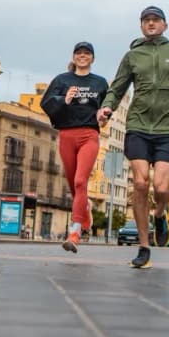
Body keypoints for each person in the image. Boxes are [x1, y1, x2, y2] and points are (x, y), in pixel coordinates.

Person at [97, 6, 169, 269]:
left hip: (168, 130)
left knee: (160, 188)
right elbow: (117, 88)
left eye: (155, 20)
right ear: (141, 26)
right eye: (146, 20)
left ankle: (160, 214)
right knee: (139, 183)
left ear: (165, 25)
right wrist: (106, 106)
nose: (151, 23)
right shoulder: (132, 56)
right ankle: (144, 247)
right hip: (137, 126)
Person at [41, 42, 109, 254]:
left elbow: (107, 107)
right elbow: (46, 103)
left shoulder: (100, 83)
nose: (82, 56)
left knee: (81, 181)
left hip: (89, 135)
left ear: (92, 58)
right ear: (74, 56)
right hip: (66, 135)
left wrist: (105, 116)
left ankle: (75, 231)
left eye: (87, 53)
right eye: (79, 53)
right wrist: (64, 99)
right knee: (73, 184)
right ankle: (85, 213)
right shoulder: (62, 80)